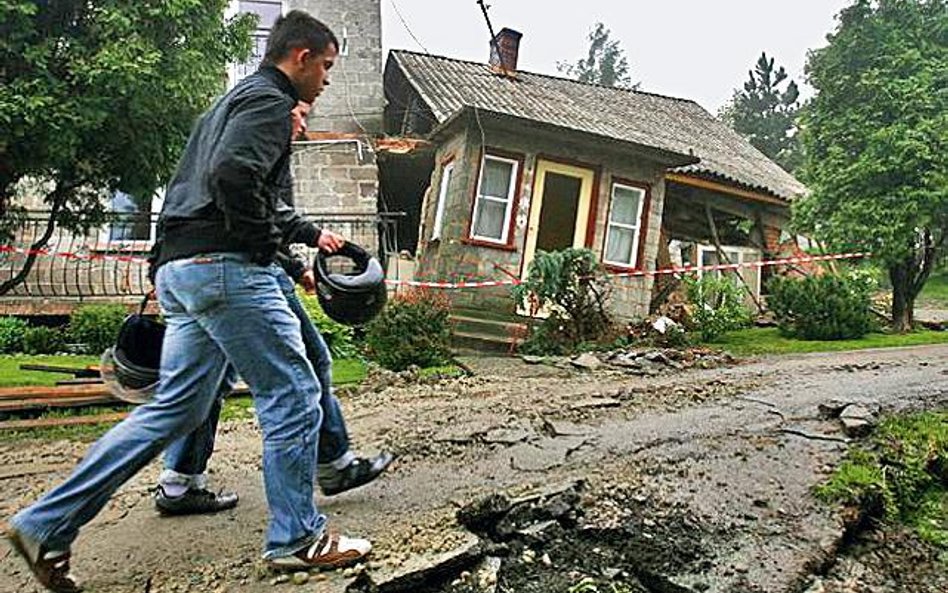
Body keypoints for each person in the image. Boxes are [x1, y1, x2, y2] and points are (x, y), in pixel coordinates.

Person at [7, 11, 370, 593]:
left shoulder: (225, 106)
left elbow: (200, 187)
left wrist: (256, 254)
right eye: (325, 67)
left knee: (174, 409)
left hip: (181, 269)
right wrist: (258, 247)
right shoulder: (271, 103)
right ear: (300, 56)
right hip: (225, 269)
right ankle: (298, 539)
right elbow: (233, 178)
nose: (326, 81)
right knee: (296, 391)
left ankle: (44, 523)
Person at [152, 101, 393, 516]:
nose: (301, 124)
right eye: (298, 113)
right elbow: (249, 203)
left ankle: (178, 482)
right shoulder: (252, 137)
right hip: (239, 272)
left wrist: (295, 266)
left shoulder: (222, 145)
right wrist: (310, 235)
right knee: (303, 371)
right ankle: (325, 478)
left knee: (206, 380)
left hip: (215, 268)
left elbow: (251, 217)